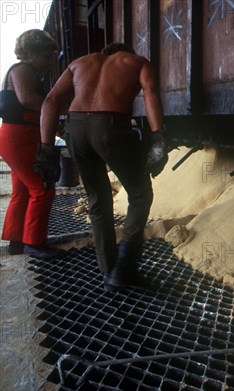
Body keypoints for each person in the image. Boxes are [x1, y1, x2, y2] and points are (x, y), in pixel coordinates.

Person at [38, 42, 168, 289]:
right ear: (124, 53)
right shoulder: (137, 61)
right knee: (140, 195)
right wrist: (158, 136)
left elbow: (51, 100)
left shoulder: (79, 63)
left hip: (74, 129)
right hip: (110, 126)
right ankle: (125, 267)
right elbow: (151, 92)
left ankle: (109, 272)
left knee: (98, 200)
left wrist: (45, 149)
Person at [0, 29, 62, 258]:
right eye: (46, 56)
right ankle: (35, 243)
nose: (49, 62)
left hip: (16, 136)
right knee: (43, 187)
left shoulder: (22, 70)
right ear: (32, 53)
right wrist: (57, 107)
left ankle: (16, 240)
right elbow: (28, 99)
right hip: (20, 137)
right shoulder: (24, 69)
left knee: (22, 190)